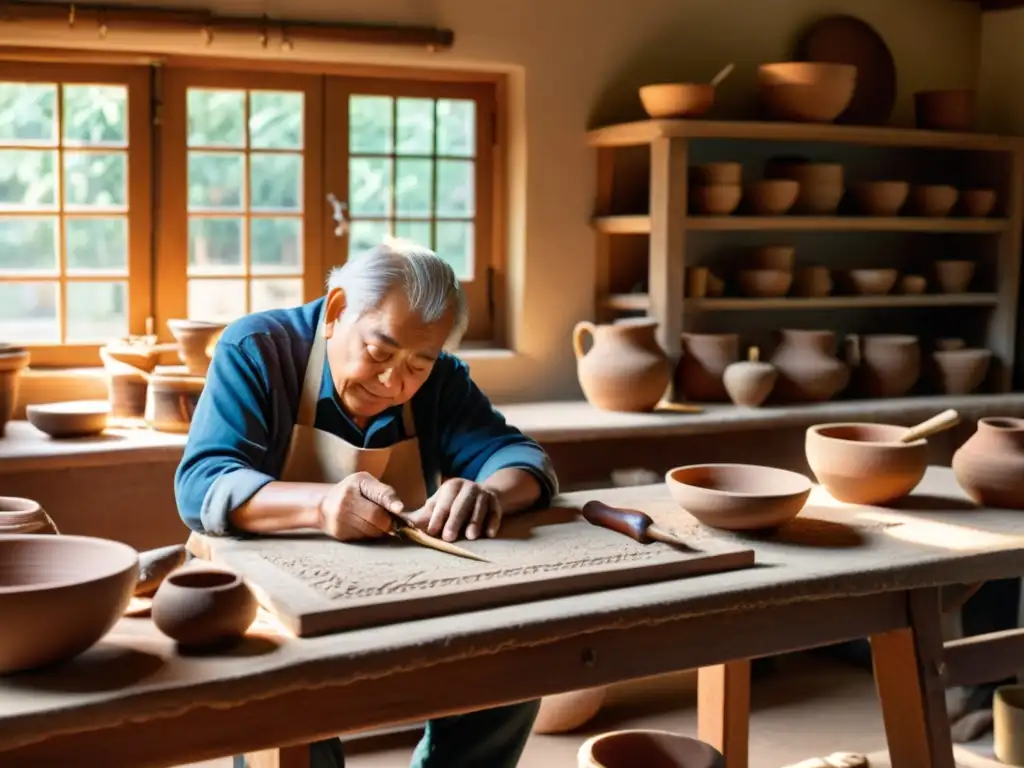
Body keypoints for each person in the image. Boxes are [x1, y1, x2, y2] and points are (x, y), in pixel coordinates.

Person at [175, 239, 559, 768]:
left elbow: (522, 458)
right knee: (288, 707)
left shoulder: (440, 381)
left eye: (418, 364)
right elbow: (200, 483)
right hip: (261, 597)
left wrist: (487, 491)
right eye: (379, 352)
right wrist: (320, 507)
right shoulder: (258, 349)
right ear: (336, 311)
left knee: (512, 665)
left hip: (383, 585)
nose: (393, 382)